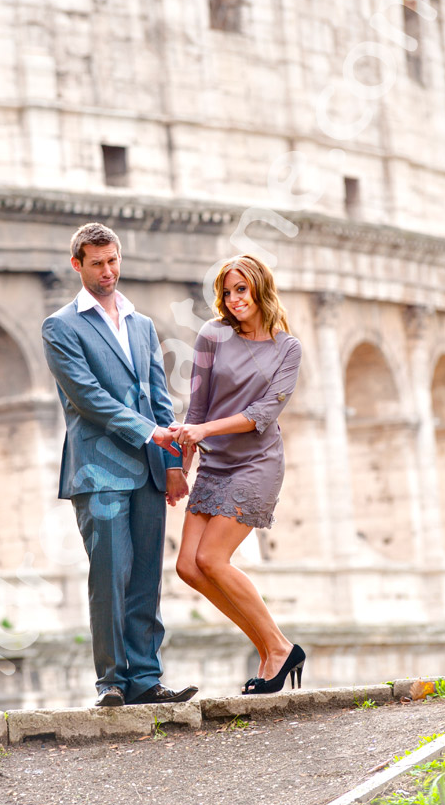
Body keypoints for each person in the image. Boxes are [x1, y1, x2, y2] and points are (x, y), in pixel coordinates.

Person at [42, 222, 197, 707]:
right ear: (77, 265)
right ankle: (110, 681)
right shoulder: (60, 327)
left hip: (149, 469)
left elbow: (159, 399)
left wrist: (172, 464)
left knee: (147, 575)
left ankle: (147, 680)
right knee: (110, 574)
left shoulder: (142, 324)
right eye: (96, 263)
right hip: (98, 471)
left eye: (113, 261)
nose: (107, 272)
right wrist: (148, 431)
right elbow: (87, 398)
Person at [169, 254, 304, 695]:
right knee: (188, 566)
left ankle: (280, 648)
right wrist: (180, 468)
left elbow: (264, 412)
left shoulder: (288, 348)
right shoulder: (212, 335)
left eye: (241, 289)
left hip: (257, 464)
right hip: (214, 463)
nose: (233, 299)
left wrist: (205, 430)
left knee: (211, 559)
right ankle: (269, 650)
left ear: (260, 288)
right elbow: (197, 406)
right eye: (227, 292)